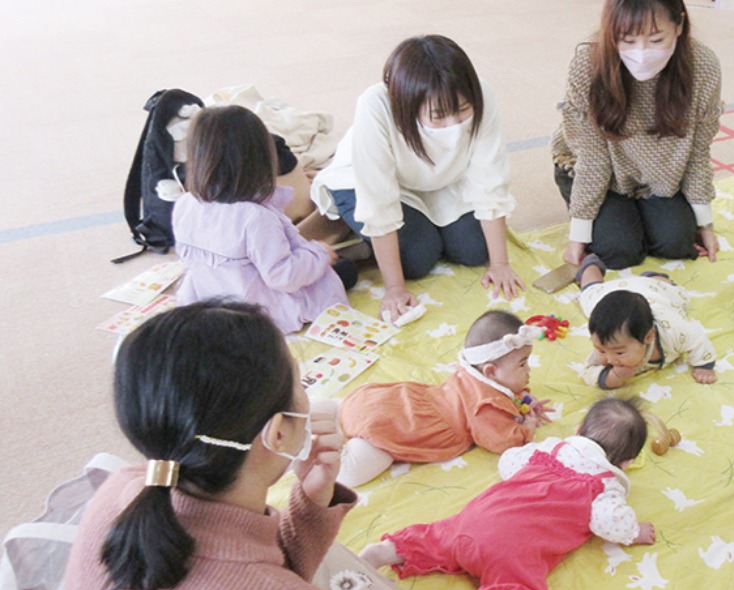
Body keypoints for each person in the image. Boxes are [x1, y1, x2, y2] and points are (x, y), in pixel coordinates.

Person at [42, 300, 436, 590]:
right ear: (278, 434)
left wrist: (311, 504)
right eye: (301, 383)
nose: (309, 396)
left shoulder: (120, 492)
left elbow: (252, 585)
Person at [360, 398, 657, 590]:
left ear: (578, 430)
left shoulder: (549, 450)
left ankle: (387, 550)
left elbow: (509, 462)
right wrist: (634, 531)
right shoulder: (605, 485)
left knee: (435, 537)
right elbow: (610, 522)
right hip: (512, 551)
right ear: (626, 463)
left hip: (472, 524)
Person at [308, 35, 524, 321]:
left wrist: (500, 263)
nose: (453, 125)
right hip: (367, 182)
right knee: (416, 260)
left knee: (475, 250)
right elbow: (378, 200)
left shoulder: (481, 94)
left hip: (440, 180)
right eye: (438, 116)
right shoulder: (376, 106)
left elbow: (490, 177)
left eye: (462, 111)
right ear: (408, 106)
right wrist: (395, 289)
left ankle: (428, 229)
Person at [552, 0, 722, 270]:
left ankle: (639, 213)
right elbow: (592, 159)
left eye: (656, 39)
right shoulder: (588, 63)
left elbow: (698, 152)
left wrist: (705, 224)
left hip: (660, 174)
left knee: (677, 244)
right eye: (627, 40)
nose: (641, 53)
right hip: (598, 171)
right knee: (618, 252)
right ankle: (613, 213)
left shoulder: (702, 66)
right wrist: (578, 235)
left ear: (679, 24)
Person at [313, 310, 553, 487]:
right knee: (349, 473)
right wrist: (527, 428)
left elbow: (505, 389)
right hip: (400, 426)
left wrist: (524, 399)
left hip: (385, 399)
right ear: (490, 371)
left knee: (340, 406)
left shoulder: (471, 372)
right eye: (522, 364)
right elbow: (502, 441)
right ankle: (318, 444)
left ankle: (317, 412)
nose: (528, 370)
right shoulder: (484, 407)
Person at [172, 106, 354, 334]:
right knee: (344, 271)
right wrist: (320, 254)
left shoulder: (185, 204)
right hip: (256, 309)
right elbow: (283, 276)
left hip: (209, 298)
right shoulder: (255, 217)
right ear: (262, 161)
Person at [576, 254, 716, 388]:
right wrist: (614, 377)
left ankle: (655, 278)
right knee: (589, 295)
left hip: (654, 292)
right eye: (601, 350)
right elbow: (588, 372)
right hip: (610, 292)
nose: (610, 360)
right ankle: (591, 265)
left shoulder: (674, 331)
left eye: (619, 353)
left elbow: (698, 340)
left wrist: (704, 366)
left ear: (648, 337)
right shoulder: (607, 343)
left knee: (679, 296)